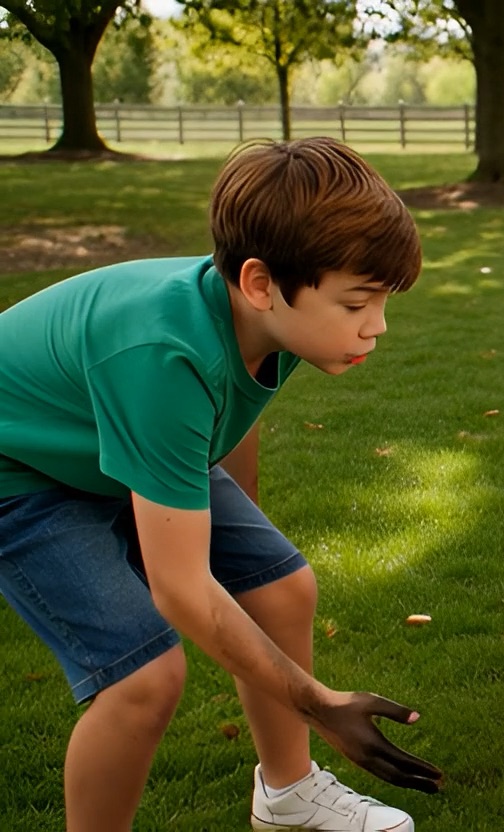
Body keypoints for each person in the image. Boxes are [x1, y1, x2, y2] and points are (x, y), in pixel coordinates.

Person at [0, 137, 443, 832]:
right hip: (19, 471)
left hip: (116, 438)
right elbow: (180, 590)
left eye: (383, 301)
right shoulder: (166, 354)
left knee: (283, 588)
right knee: (143, 680)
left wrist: (247, 565)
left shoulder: (274, 322)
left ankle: (288, 793)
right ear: (262, 283)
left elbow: (232, 416)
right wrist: (319, 703)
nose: (377, 326)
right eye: (358, 302)